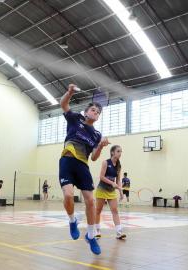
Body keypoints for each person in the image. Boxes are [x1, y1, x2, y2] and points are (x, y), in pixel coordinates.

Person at [59, 84, 109, 255]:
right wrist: (70, 92)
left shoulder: (96, 135)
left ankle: (91, 235)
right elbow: (63, 104)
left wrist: (101, 146)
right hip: (67, 160)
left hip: (83, 165)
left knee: (90, 201)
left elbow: (94, 157)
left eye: (98, 112)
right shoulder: (75, 118)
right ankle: (72, 221)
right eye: (94, 110)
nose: (96, 113)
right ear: (86, 112)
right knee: (67, 195)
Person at [95, 145, 126, 240]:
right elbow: (101, 177)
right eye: (118, 151)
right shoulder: (105, 162)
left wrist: (120, 192)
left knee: (115, 210)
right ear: (112, 152)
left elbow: (118, 181)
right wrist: (112, 183)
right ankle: (97, 231)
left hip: (111, 191)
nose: (120, 153)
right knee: (98, 210)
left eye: (121, 151)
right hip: (102, 189)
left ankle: (119, 233)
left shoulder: (119, 166)